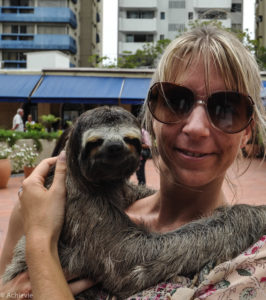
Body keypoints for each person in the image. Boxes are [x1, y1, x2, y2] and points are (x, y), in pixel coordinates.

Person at [1, 25, 266, 299]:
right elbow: (131, 263)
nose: (196, 128)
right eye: (175, 100)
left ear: (248, 131)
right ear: (151, 118)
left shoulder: (255, 265)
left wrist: (39, 241)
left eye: (226, 109)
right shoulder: (56, 205)